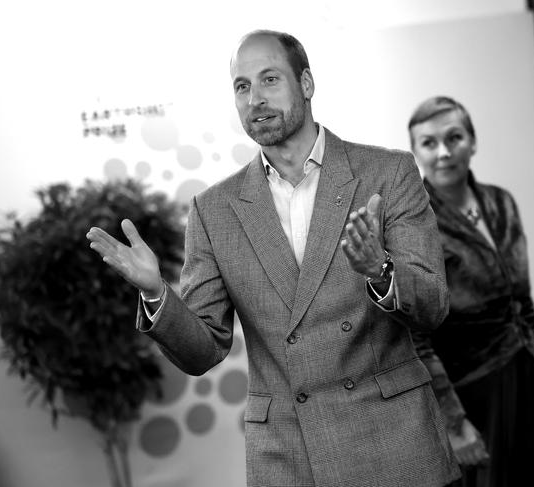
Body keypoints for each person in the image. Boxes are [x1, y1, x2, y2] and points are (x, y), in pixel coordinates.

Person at [87, 30, 460, 487]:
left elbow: (434, 306)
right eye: (242, 87)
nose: (255, 99)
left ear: (305, 83)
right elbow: (204, 350)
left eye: (269, 80)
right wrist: (155, 294)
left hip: (394, 443)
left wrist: (380, 270)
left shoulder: (387, 172)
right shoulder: (214, 209)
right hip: (290, 454)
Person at [408, 95, 534, 487]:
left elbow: (523, 306)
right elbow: (416, 337)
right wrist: (455, 425)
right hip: (474, 396)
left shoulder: (501, 202)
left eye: (454, 137)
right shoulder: (413, 224)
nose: (444, 152)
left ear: (473, 142)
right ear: (415, 153)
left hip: (530, 380)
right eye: (429, 143)